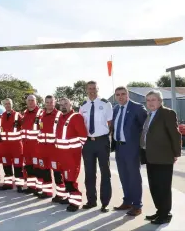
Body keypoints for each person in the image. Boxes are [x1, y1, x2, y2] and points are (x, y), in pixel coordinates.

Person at [140, 90, 182, 224]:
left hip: (164, 157)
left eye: (153, 99)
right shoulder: (150, 114)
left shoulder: (167, 113)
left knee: (163, 187)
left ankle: (165, 214)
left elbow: (175, 135)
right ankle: (160, 211)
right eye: (148, 100)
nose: (150, 102)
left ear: (160, 101)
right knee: (154, 187)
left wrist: (176, 153)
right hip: (150, 157)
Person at [111, 86, 147, 216]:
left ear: (128, 94)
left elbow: (146, 128)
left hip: (132, 147)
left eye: (123, 94)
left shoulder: (137, 108)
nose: (120, 97)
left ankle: (137, 205)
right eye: (117, 95)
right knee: (124, 176)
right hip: (119, 147)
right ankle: (127, 201)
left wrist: (143, 146)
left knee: (134, 176)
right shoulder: (115, 109)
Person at [79, 80, 113, 212]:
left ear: (98, 89)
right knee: (89, 173)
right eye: (89, 88)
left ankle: (105, 202)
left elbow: (110, 123)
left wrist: (104, 137)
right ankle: (91, 201)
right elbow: (81, 124)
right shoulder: (83, 106)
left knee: (105, 172)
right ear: (86, 90)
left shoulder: (105, 104)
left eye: (94, 88)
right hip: (88, 143)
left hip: (102, 141)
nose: (92, 90)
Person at [53, 98, 88, 212]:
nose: (63, 106)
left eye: (66, 104)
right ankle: (69, 198)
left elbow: (83, 137)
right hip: (61, 154)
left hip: (71, 156)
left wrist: (73, 149)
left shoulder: (76, 117)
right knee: (65, 178)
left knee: (70, 180)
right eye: (61, 104)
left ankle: (75, 202)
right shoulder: (60, 117)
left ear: (71, 105)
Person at [37, 95, 64, 199]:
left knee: (57, 172)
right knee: (44, 171)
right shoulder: (41, 115)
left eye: (51, 102)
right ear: (44, 103)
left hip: (55, 150)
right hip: (42, 149)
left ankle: (60, 194)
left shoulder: (59, 115)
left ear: (55, 102)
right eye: (47, 102)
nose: (49, 104)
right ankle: (47, 192)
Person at [0, 98, 23, 192]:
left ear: (12, 104)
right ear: (4, 105)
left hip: (16, 146)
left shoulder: (18, 115)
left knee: (17, 166)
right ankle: (8, 184)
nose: (7, 105)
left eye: (9, 104)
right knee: (6, 166)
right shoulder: (1, 116)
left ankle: (19, 185)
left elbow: (24, 128)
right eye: (6, 104)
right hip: (5, 147)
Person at [20, 95, 43, 194]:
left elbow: (43, 128)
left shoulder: (41, 113)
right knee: (29, 167)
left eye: (32, 100)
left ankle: (39, 187)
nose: (30, 102)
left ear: (36, 101)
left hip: (36, 146)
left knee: (37, 167)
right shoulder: (25, 113)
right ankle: (31, 186)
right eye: (28, 100)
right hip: (26, 146)